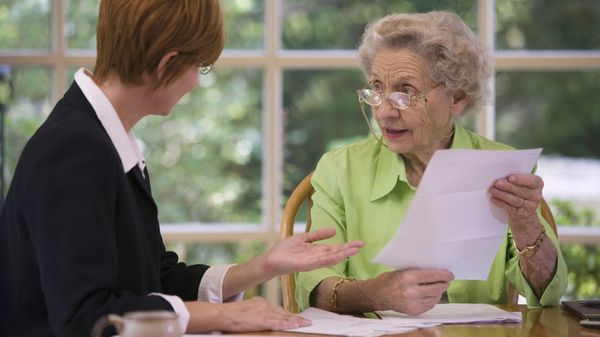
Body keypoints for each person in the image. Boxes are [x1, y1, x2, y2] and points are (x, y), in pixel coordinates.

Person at [0, 1, 365, 336]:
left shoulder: (103, 139)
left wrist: (262, 266)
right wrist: (224, 316)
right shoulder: (74, 151)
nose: (196, 81)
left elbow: (155, 278)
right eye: (200, 66)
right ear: (167, 63)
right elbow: (86, 315)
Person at [296, 11, 567, 315]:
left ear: (458, 98)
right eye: (377, 88)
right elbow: (313, 286)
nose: (384, 112)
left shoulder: (502, 168)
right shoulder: (339, 170)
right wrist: (374, 294)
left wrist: (527, 225)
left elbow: (548, 296)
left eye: (405, 92)